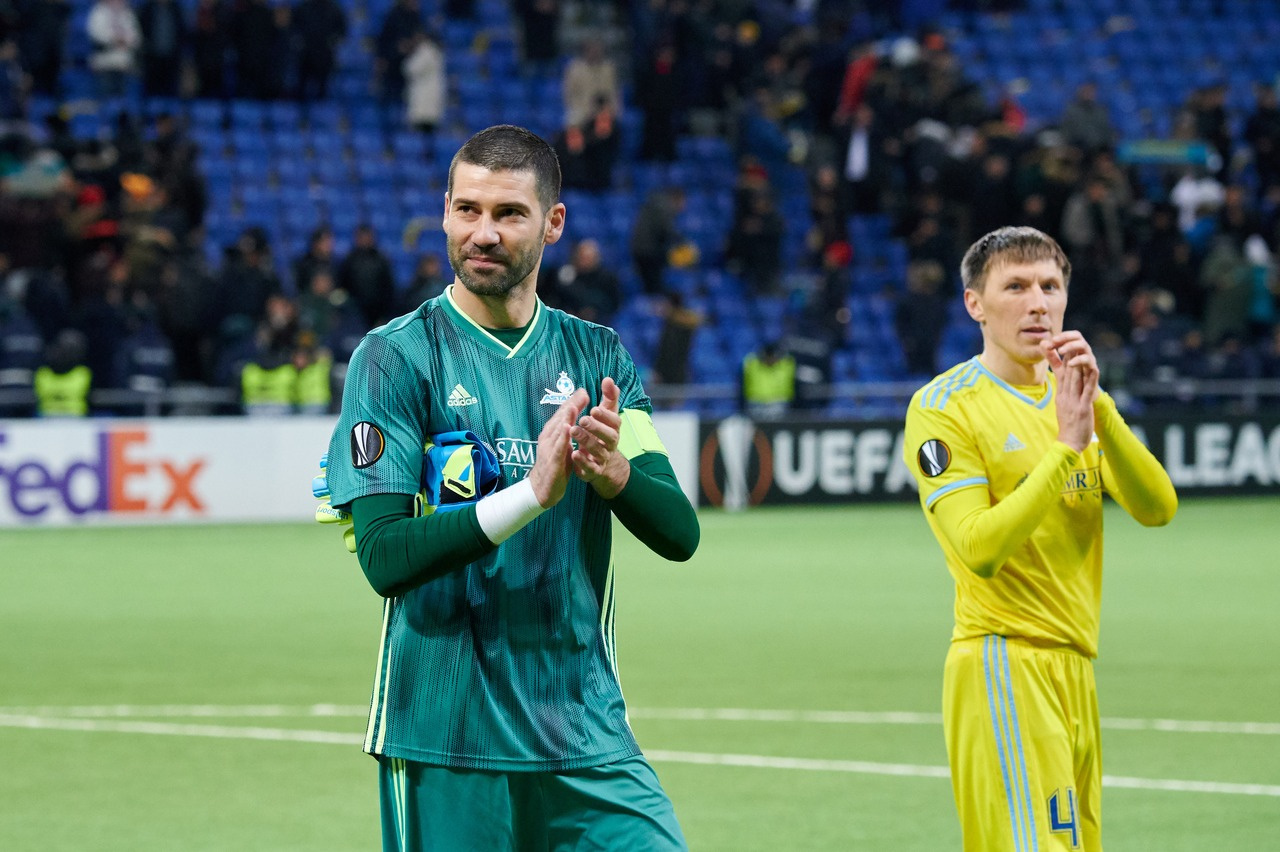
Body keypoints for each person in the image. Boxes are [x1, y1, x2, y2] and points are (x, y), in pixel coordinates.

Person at [321, 125, 699, 850]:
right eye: (467, 209)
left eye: (509, 214)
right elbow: (384, 556)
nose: (483, 233)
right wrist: (530, 495)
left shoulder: (598, 355)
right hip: (446, 735)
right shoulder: (394, 358)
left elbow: (680, 533)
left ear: (553, 223)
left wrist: (617, 475)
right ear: (445, 213)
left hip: (583, 730)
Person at [902, 226, 1178, 852]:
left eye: (1050, 287)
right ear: (975, 304)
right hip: (1003, 663)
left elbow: (1158, 508)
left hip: (1075, 668)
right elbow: (978, 547)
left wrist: (1098, 407)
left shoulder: (1075, 398)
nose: (1038, 304)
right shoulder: (944, 406)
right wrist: (1065, 448)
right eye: (1017, 287)